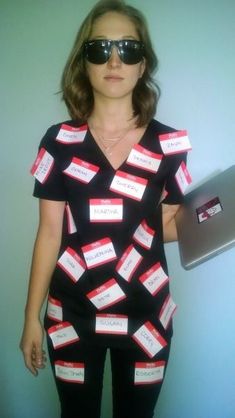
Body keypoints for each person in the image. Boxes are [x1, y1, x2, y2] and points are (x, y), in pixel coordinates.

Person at [20, 1, 191, 417]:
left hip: (146, 317)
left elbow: (167, 225)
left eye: (128, 48)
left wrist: (217, 218)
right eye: (100, 48)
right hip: (72, 314)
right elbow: (49, 233)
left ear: (142, 62)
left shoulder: (170, 145)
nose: (114, 60)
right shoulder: (58, 141)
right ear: (84, 60)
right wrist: (31, 318)